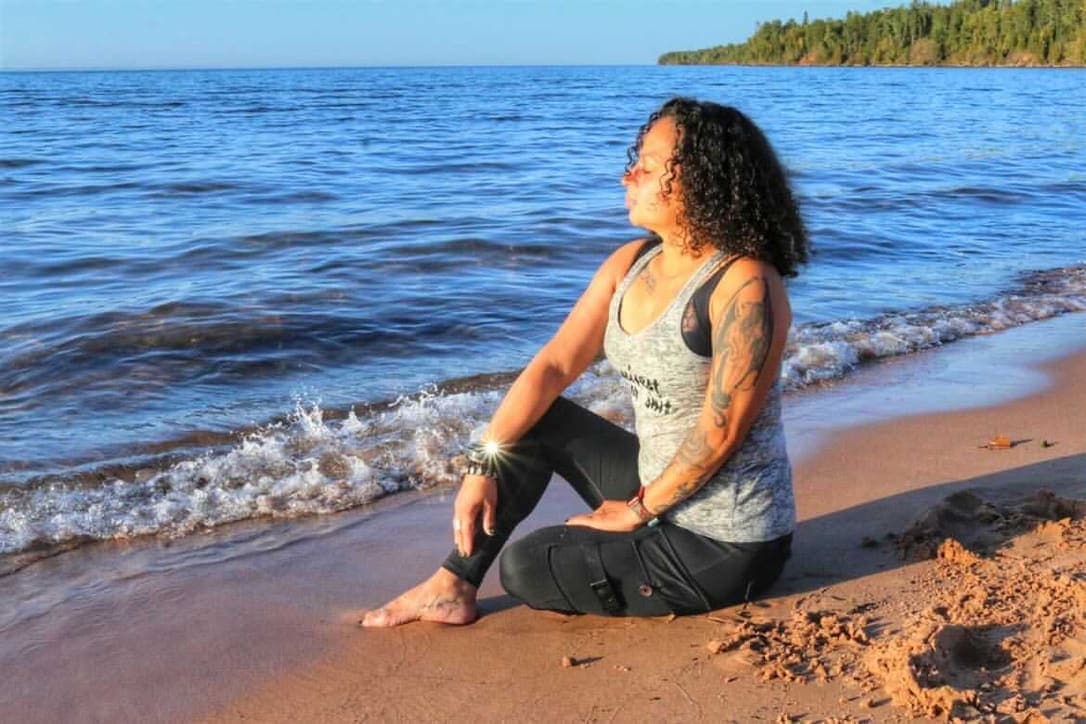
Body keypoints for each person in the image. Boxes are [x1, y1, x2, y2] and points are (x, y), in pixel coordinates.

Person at [361, 97, 808, 626]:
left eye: (647, 164)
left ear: (703, 178)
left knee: (528, 566)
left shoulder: (745, 284)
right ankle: (451, 584)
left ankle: (623, 542)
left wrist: (638, 512)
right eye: (633, 161)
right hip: (656, 489)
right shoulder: (631, 262)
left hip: (726, 542)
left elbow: (724, 429)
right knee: (533, 420)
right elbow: (552, 367)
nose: (628, 175)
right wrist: (482, 463)